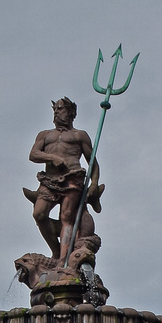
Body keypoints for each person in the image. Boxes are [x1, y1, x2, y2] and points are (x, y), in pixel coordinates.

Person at [27, 98, 100, 266]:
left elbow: (93, 164)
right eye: (55, 109)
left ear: (71, 113)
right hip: (49, 180)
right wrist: (51, 157)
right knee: (39, 214)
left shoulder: (79, 135)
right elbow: (33, 154)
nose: (56, 112)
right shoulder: (45, 135)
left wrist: (94, 184)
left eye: (60, 108)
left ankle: (63, 259)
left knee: (66, 216)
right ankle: (56, 249)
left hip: (72, 178)